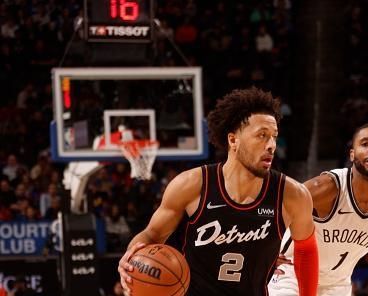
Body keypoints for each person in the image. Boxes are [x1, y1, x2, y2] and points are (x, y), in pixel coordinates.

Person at [118, 87, 319, 296]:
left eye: (274, 137)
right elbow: (152, 234)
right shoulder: (191, 185)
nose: (271, 145)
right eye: (262, 135)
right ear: (233, 140)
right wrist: (131, 258)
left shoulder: (292, 195)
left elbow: (306, 250)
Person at [269, 122, 368, 296]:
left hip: (337, 283)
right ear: (352, 154)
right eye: (365, 144)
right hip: (291, 274)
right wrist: (264, 251)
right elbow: (272, 207)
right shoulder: (327, 187)